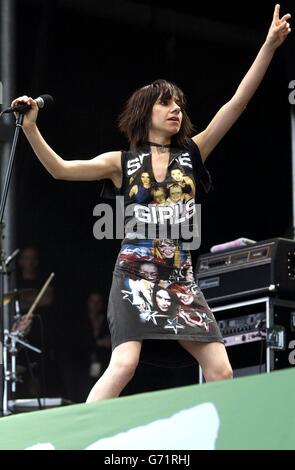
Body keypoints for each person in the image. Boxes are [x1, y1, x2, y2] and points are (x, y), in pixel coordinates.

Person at [11, 5, 291, 402]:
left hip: (180, 279)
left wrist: (268, 46)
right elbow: (60, 169)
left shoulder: (193, 154)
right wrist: (31, 127)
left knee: (221, 369)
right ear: (146, 113)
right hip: (133, 277)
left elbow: (237, 103)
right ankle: (85, 439)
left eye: (179, 103)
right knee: (123, 364)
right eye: (166, 103)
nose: (177, 109)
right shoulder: (121, 163)